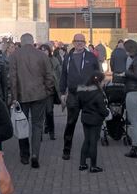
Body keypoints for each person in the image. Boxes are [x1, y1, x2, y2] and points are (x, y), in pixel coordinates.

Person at [9, 33, 54, 168]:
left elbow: (12, 78)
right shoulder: (42, 55)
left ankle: (24, 155)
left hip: (21, 96)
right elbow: (49, 76)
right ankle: (35, 155)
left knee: (22, 125)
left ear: (21, 42)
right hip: (39, 95)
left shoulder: (15, 56)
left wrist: (14, 97)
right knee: (37, 126)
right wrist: (47, 91)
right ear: (33, 41)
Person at [59, 33, 101, 161]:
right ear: (73, 42)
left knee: (88, 123)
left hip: (88, 95)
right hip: (73, 95)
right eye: (77, 41)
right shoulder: (68, 57)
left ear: (85, 42)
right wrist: (62, 93)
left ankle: (88, 149)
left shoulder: (91, 57)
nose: (79, 43)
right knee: (70, 123)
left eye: (82, 41)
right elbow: (63, 76)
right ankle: (66, 150)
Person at [78, 70, 110, 173]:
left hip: (85, 118)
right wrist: (107, 113)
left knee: (86, 140)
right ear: (99, 81)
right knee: (93, 142)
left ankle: (82, 164)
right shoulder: (98, 93)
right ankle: (93, 166)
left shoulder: (83, 89)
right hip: (95, 120)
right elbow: (102, 109)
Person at [40, 43, 61, 140]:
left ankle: (51, 132)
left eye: (45, 50)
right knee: (40, 113)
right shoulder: (37, 61)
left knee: (49, 111)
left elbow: (59, 74)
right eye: (42, 50)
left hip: (50, 90)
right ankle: (39, 134)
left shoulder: (54, 60)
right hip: (39, 91)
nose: (44, 52)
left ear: (49, 51)